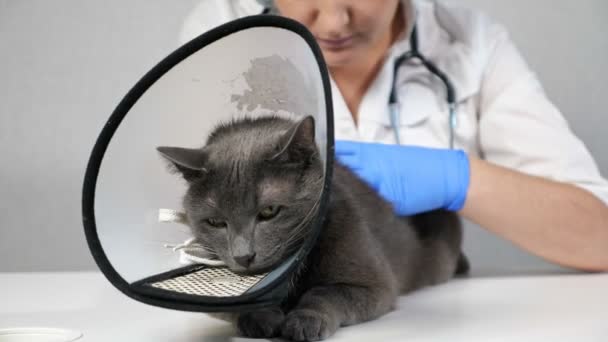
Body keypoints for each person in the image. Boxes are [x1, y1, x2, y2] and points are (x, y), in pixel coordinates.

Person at [180, 0, 608, 271]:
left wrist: (456, 179)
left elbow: (599, 237)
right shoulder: (220, 33)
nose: (332, 20)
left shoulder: (471, 44)